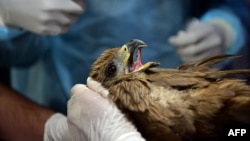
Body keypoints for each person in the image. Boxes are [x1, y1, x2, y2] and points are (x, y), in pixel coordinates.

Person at [0, 0, 249, 140]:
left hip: (182, 100)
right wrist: (6, 18)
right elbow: (18, 53)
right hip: (52, 100)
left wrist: (225, 25)